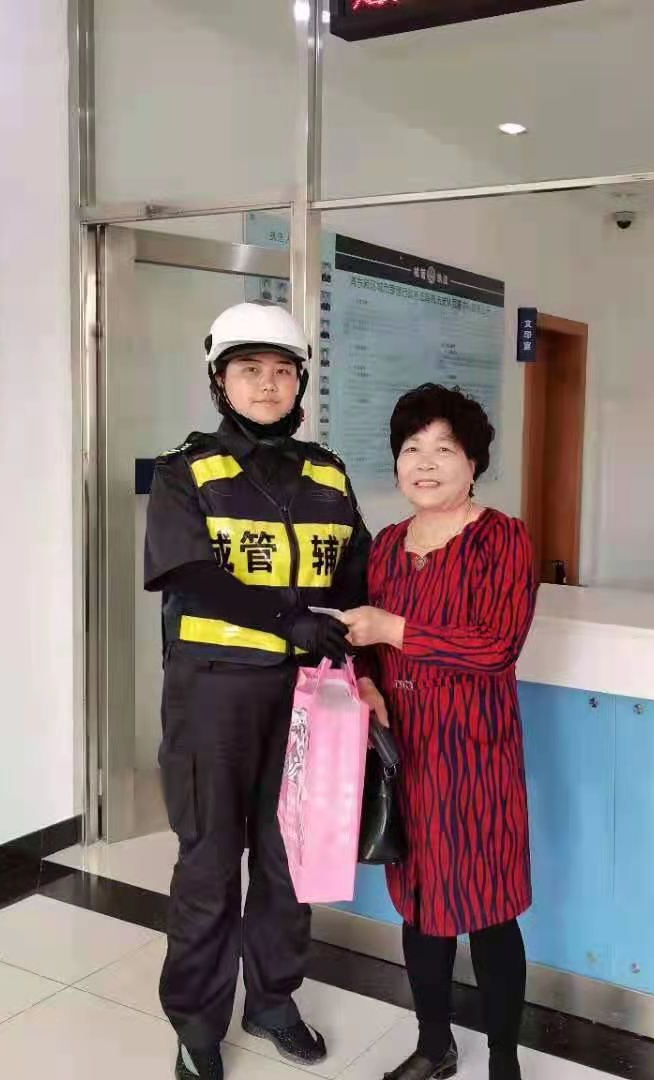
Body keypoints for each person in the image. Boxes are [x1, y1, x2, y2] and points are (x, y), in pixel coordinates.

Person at [143, 301, 385, 1080]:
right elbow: (188, 573)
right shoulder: (186, 471)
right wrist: (288, 619)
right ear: (221, 381)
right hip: (213, 696)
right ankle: (196, 1024)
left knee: (289, 859)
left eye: (283, 371)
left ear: (301, 383)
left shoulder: (327, 473)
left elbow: (355, 577)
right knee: (210, 862)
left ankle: (274, 1001)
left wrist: (365, 672)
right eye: (250, 370)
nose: (268, 384)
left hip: (309, 697)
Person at [340, 384, 538, 1080]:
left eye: (444, 449)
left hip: (476, 756)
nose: (425, 463)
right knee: (421, 908)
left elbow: (496, 646)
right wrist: (368, 681)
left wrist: (393, 628)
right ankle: (435, 1046)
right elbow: (366, 645)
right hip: (407, 755)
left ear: (473, 462)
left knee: (489, 911)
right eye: (411, 448)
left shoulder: (502, 538)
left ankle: (505, 1058)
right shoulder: (387, 546)